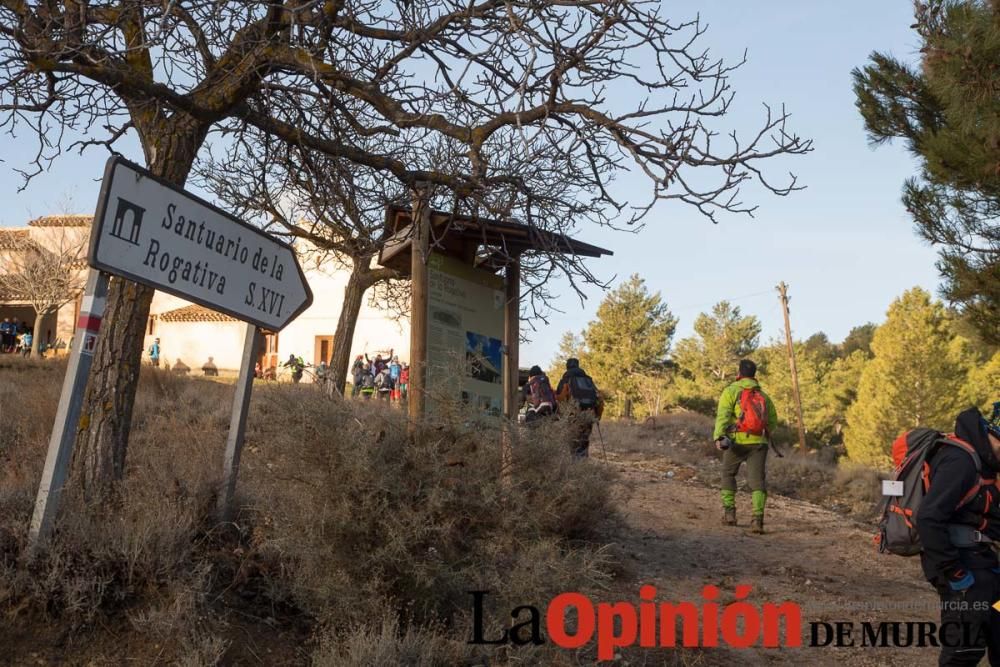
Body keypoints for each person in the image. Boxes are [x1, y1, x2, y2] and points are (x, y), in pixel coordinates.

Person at [917, 403, 1000, 666]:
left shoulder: (989, 464)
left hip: (988, 571)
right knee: (964, 651)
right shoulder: (960, 461)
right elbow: (928, 518)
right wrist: (955, 573)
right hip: (965, 576)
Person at [714, 359, 777, 534]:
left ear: (739, 373)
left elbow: (723, 415)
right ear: (754, 375)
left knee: (728, 474)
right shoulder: (764, 396)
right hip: (758, 444)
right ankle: (757, 521)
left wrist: (719, 437)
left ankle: (729, 514)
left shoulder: (731, 391)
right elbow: (772, 421)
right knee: (757, 482)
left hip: (736, 442)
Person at [556, 358, 603, 457]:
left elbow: (560, 398)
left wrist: (558, 415)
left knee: (573, 441)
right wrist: (597, 416)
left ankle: (576, 467)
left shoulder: (566, 380)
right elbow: (599, 398)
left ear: (567, 367)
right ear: (578, 366)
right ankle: (583, 463)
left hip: (572, 415)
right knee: (584, 440)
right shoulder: (588, 380)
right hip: (588, 414)